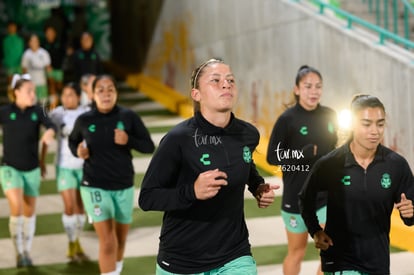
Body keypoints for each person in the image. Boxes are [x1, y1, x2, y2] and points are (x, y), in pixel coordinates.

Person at [139, 58, 279, 275]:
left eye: (230, 80)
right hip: (182, 261)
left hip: (234, 253)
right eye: (216, 80)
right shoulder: (178, 139)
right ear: (197, 94)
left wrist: (257, 186)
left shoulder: (248, 134)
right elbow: (147, 198)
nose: (226, 85)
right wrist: (191, 191)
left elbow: (245, 162)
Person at [299, 94, 414, 275]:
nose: (375, 131)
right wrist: (315, 231)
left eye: (380, 124)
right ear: (352, 124)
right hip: (339, 262)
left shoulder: (397, 165)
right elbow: (305, 198)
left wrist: (411, 211)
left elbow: (410, 216)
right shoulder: (330, 163)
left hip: (378, 264)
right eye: (367, 124)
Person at [68, 75, 155, 275]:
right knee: (107, 241)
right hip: (93, 186)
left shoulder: (129, 116)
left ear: (116, 93)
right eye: (101, 90)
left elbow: (148, 146)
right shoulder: (84, 120)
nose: (106, 94)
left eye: (110, 89)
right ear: (92, 94)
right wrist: (78, 151)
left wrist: (129, 140)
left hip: (123, 185)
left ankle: (115, 271)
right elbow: (73, 141)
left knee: (120, 239)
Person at [266, 65, 337, 275]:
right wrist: (301, 153)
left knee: (332, 250)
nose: (313, 91)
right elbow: (272, 157)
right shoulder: (287, 120)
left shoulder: (329, 115)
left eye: (318, 87)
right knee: (297, 252)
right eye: (308, 86)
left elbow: (333, 149)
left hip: (324, 196)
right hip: (296, 196)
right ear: (297, 89)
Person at [0, 74, 56, 267]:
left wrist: (50, 132)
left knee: (29, 213)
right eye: (29, 91)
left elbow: (51, 125)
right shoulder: (5, 111)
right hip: (9, 168)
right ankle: (19, 254)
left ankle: (26, 251)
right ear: (16, 92)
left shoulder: (39, 110)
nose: (33, 94)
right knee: (17, 208)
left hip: (31, 169)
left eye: (34, 90)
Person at [46, 82, 89, 262]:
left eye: (71, 94)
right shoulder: (57, 113)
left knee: (80, 208)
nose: (67, 98)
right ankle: (71, 242)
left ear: (79, 96)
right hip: (64, 166)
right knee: (69, 207)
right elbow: (45, 126)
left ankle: (77, 239)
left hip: (83, 166)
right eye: (64, 95)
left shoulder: (86, 113)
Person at [21, 34, 52, 105]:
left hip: (42, 84)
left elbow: (49, 69)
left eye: (36, 41)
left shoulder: (44, 53)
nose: (34, 43)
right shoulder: (26, 54)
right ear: (29, 43)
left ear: (38, 42)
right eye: (32, 41)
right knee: (31, 103)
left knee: (43, 104)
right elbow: (24, 70)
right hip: (31, 85)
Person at [43, 25, 66, 108]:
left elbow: (63, 55)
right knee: (52, 86)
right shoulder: (44, 45)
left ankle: (63, 102)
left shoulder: (60, 43)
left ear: (55, 33)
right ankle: (53, 106)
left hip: (58, 69)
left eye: (51, 32)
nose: (50, 34)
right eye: (48, 33)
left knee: (59, 86)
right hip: (49, 69)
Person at [2, 21, 24, 100]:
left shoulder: (20, 40)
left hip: (18, 66)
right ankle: (11, 100)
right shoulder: (5, 40)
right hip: (9, 66)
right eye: (10, 27)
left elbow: (21, 52)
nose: (12, 28)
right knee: (10, 84)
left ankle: (18, 99)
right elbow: (5, 53)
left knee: (18, 84)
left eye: (13, 26)